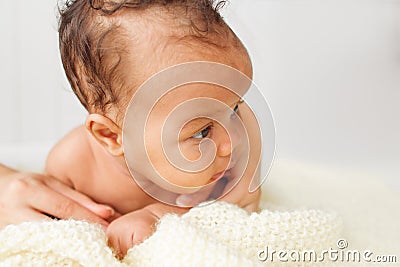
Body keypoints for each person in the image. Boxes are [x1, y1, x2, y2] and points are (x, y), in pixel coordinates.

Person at [9, 0, 262, 257]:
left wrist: (157, 214)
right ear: (111, 136)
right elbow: (52, 228)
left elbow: (229, 211)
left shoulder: (226, 151)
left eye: (234, 110)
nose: (233, 141)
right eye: (202, 132)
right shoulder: (73, 167)